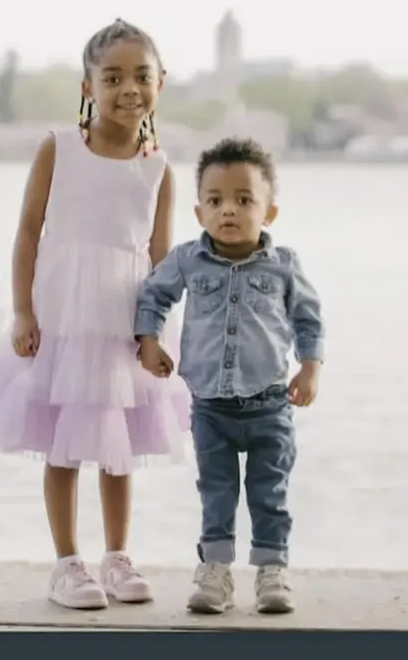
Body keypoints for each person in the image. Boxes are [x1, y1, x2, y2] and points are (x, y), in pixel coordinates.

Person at [0, 19, 190, 610]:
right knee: (63, 444)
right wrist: (22, 312)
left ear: (160, 82)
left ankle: (117, 555)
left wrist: (153, 332)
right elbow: (26, 233)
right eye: (111, 77)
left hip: (123, 323)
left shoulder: (158, 167)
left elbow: (162, 258)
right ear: (88, 86)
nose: (128, 88)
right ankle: (67, 562)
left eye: (141, 76)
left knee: (119, 446)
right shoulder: (59, 148)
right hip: (62, 320)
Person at [134, 137, 325, 617]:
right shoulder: (187, 260)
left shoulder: (284, 267)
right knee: (216, 492)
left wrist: (310, 368)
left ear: (269, 212)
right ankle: (215, 572)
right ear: (199, 212)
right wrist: (149, 340)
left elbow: (308, 320)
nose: (229, 211)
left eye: (244, 200)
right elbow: (153, 295)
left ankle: (271, 570)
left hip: (270, 406)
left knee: (270, 492)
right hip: (211, 409)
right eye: (216, 201)